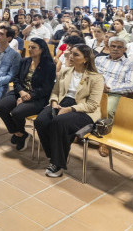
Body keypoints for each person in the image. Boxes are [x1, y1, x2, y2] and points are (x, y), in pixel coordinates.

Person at [35, 44, 104, 178]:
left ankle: (57, 164)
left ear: (85, 59)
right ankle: (54, 154)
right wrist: (54, 102)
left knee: (59, 122)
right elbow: (55, 92)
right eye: (71, 53)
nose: (70, 56)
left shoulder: (96, 77)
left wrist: (70, 109)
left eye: (76, 54)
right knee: (41, 121)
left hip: (84, 110)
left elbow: (92, 105)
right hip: (62, 102)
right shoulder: (65, 71)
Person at [0, 37, 56, 151]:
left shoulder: (49, 66)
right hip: (20, 92)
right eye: (29, 47)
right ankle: (20, 133)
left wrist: (28, 96)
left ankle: (18, 134)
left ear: (41, 49)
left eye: (33, 47)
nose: (30, 49)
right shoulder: (25, 61)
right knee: (0, 106)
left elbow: (46, 88)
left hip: (37, 97)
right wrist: (21, 92)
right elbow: (16, 79)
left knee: (17, 112)